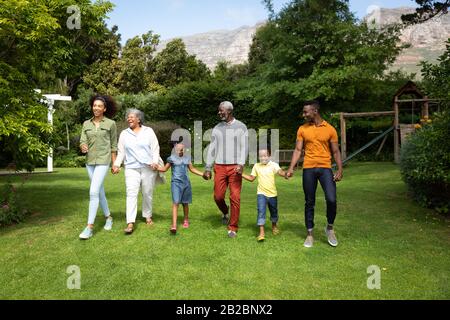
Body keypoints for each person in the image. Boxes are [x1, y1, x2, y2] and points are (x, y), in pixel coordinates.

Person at [286, 100, 343, 248]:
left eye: (306, 112)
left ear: (315, 111)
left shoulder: (330, 129)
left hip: (325, 168)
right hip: (309, 169)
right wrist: (291, 168)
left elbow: (336, 151)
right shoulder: (302, 129)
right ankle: (310, 234)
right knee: (309, 202)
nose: (303, 114)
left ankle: (330, 228)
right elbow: (298, 150)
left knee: (331, 199)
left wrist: (340, 169)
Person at [203, 101, 248, 238]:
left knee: (235, 197)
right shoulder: (217, 127)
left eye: (221, 110)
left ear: (229, 111)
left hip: (235, 167)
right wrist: (208, 167)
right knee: (218, 196)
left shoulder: (241, 126)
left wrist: (240, 164)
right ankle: (225, 211)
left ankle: (233, 227)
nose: (219, 113)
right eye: (219, 110)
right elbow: (212, 148)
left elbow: (244, 147)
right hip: (220, 166)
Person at [112, 109, 161, 235]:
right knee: (131, 193)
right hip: (131, 168)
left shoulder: (148, 131)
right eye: (128, 117)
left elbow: (155, 148)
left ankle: (147, 215)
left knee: (147, 192)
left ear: (139, 119)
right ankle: (130, 222)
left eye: (132, 117)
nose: (129, 119)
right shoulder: (124, 133)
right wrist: (117, 164)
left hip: (148, 167)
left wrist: (155, 161)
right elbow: (121, 151)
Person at [79, 95, 118, 240]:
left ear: (104, 109)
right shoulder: (86, 124)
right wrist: (83, 146)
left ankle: (89, 227)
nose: (96, 108)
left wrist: (114, 163)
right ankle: (108, 217)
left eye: (99, 106)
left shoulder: (111, 124)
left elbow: (114, 145)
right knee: (99, 191)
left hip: (103, 161)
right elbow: (83, 140)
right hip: (90, 162)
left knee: (93, 191)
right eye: (94, 105)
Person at [157, 143, 204, 235]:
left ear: (184, 150)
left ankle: (186, 219)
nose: (179, 151)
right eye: (178, 150)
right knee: (176, 203)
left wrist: (202, 174)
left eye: (181, 150)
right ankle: (174, 225)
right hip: (176, 183)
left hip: (186, 183)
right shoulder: (171, 158)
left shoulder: (187, 158)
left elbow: (192, 169)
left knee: (185, 203)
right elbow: (164, 169)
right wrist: (156, 167)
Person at [242, 148, 288, 242]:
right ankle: (261, 232)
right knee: (261, 211)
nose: (263, 158)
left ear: (269, 156)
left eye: (265, 156)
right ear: (259, 157)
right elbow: (251, 178)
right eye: (261, 156)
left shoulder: (273, 165)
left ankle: (274, 226)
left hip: (272, 194)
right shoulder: (256, 166)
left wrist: (286, 174)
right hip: (261, 194)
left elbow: (280, 172)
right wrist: (240, 174)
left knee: (274, 211)